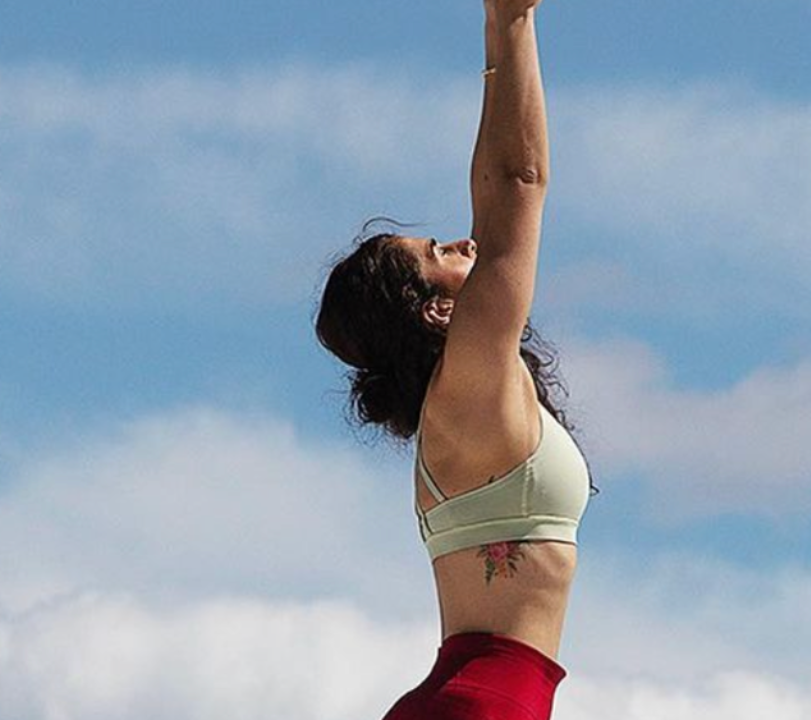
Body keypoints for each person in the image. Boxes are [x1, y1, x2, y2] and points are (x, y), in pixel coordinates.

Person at [315, 0, 592, 717]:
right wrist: (513, 21)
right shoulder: (469, 384)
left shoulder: (466, 400)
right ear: (434, 311)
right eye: (441, 251)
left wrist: (503, 24)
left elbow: (498, 204)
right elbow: (516, 184)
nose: (467, 243)